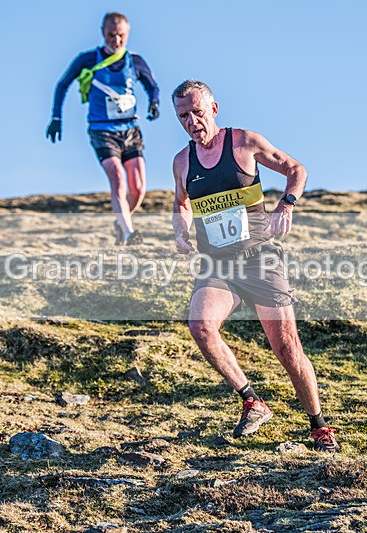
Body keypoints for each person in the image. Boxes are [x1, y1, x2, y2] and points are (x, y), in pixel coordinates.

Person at [170, 80, 340, 452]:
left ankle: (320, 426)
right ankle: (252, 400)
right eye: (183, 116)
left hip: (259, 261)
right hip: (218, 265)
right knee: (200, 325)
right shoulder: (183, 162)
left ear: (213, 109)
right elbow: (181, 203)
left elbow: (296, 169)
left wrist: (286, 204)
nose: (191, 121)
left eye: (197, 112)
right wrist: (180, 227)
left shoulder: (244, 142)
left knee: (288, 350)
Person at [47, 11, 160, 245]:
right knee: (117, 178)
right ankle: (129, 234)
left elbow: (152, 86)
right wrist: (56, 117)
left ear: (127, 34)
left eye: (120, 35)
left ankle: (121, 222)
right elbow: (62, 85)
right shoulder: (87, 59)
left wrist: (154, 103)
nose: (115, 40)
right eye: (111, 34)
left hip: (130, 130)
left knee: (138, 188)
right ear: (102, 32)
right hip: (102, 131)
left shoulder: (135, 61)